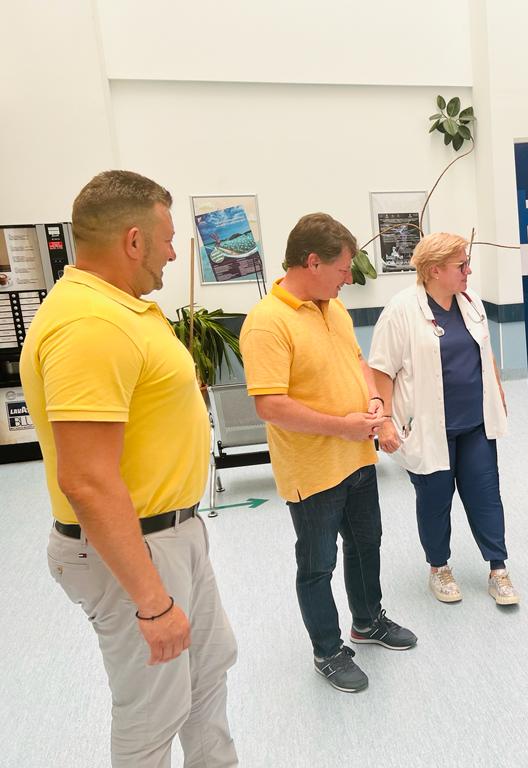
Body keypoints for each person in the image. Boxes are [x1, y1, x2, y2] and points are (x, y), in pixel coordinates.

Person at [20, 170, 238, 766]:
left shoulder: (124, 310)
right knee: (151, 717)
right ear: (134, 241)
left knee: (207, 678)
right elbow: (86, 479)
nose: (174, 253)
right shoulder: (90, 325)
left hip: (173, 532)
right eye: (167, 240)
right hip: (135, 548)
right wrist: (152, 602)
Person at [240, 212, 416, 694]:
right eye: (342, 269)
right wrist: (342, 427)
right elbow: (270, 405)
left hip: (357, 458)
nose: (348, 279)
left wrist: (375, 402)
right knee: (318, 564)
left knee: (366, 543)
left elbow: (357, 361)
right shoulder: (267, 323)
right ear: (312, 262)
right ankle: (327, 650)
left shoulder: (333, 307)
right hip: (312, 469)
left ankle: (368, 620)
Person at [368, 232, 518, 605]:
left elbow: (485, 350)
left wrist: (497, 388)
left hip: (475, 425)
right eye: (461, 265)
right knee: (435, 501)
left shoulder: (471, 302)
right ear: (435, 270)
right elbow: (381, 370)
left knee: (486, 495)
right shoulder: (401, 310)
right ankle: (439, 567)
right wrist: (384, 421)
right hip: (429, 429)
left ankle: (498, 570)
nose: (469, 271)